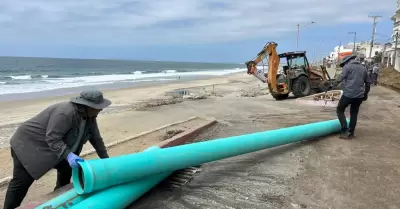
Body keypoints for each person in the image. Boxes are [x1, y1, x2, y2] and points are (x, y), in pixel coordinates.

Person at [3, 90, 111, 209]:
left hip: (55, 149)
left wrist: (106, 160)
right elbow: (53, 138)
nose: (101, 109)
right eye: (98, 107)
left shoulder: (90, 116)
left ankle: (59, 199)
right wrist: (69, 155)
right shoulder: (65, 113)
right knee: (21, 183)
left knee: (67, 170)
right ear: (87, 106)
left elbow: (96, 139)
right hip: (28, 145)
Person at [329, 55, 370, 139]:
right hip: (359, 96)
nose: (344, 65)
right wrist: (365, 94)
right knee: (354, 113)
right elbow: (368, 83)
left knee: (340, 110)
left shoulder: (347, 67)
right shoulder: (363, 68)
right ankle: (351, 133)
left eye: (344, 64)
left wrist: (331, 86)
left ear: (347, 61)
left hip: (348, 94)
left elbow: (340, 78)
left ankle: (344, 130)